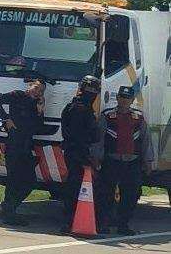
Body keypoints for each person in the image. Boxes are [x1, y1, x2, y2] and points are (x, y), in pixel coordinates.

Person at [93, 86, 154, 236]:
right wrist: (96, 157)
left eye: (127, 98)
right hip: (111, 161)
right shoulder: (107, 116)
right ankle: (103, 224)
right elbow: (99, 139)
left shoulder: (138, 117)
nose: (124, 101)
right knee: (105, 195)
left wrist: (148, 161)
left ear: (132, 100)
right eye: (122, 97)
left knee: (130, 195)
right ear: (118, 98)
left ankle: (123, 225)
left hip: (132, 162)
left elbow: (146, 140)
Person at [0, 79, 46, 226]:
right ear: (30, 86)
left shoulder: (36, 105)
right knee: (14, 179)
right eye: (36, 88)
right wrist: (6, 118)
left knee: (29, 181)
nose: (37, 92)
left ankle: (10, 207)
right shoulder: (17, 95)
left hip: (26, 147)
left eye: (41, 91)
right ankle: (9, 212)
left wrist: (41, 110)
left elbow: (38, 127)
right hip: (14, 145)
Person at [59, 75, 101, 234]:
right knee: (75, 188)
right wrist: (85, 158)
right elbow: (79, 136)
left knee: (75, 187)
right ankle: (69, 222)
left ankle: (71, 220)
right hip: (78, 153)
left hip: (75, 151)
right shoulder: (80, 109)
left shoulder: (75, 106)